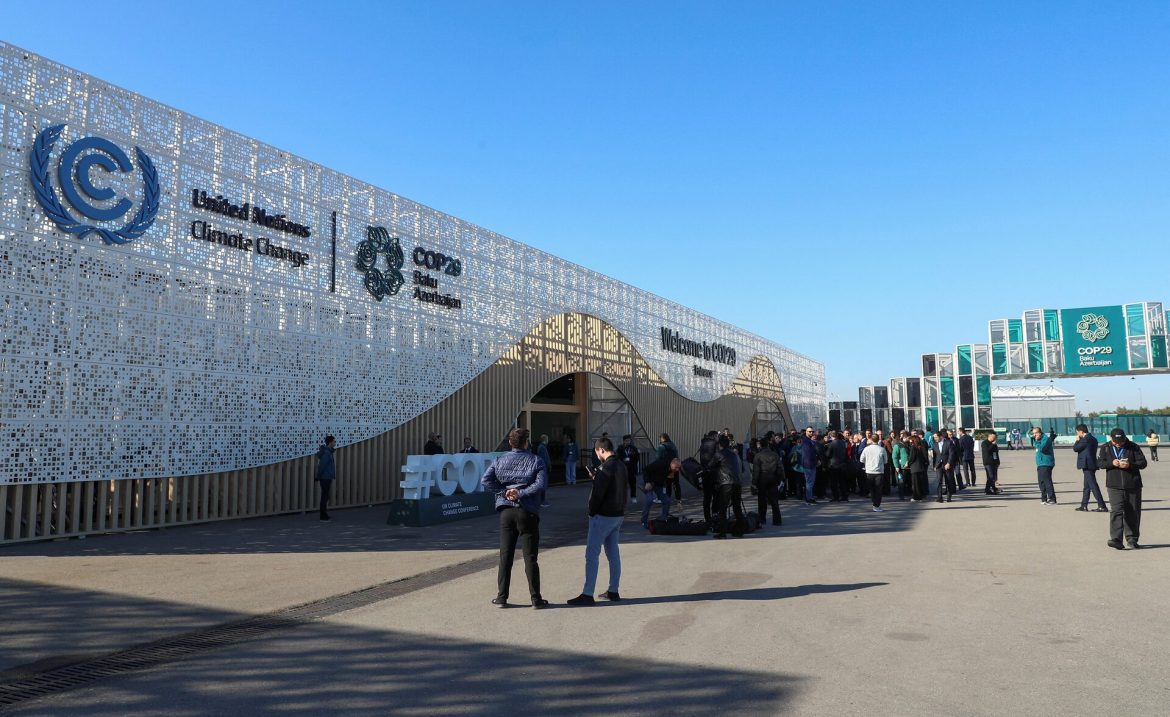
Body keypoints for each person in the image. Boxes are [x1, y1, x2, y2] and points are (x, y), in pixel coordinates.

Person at [480, 428, 550, 608]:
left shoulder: (500, 459)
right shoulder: (536, 460)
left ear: (510, 443)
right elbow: (540, 484)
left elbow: (485, 480)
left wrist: (504, 492)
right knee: (530, 557)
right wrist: (521, 493)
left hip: (506, 511)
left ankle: (502, 597)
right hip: (527, 510)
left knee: (505, 556)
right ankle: (536, 599)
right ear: (526, 442)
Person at [569, 437, 628, 605]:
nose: (597, 456)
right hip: (618, 514)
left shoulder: (604, 468)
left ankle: (588, 594)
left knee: (592, 555)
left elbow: (597, 495)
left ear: (601, 450)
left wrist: (591, 513)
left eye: (597, 453)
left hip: (603, 516)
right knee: (613, 553)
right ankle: (613, 590)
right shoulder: (622, 466)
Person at [1097, 428, 1147, 550]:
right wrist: (1111, 463)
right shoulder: (1105, 447)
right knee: (1116, 511)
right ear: (1111, 438)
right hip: (1114, 486)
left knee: (1133, 512)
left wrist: (1130, 465)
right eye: (1116, 441)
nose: (1118, 443)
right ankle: (1116, 539)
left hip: (1133, 485)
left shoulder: (1133, 447)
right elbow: (1099, 463)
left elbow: (1143, 463)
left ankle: (1132, 539)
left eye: (1121, 441)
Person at [711, 434, 746, 538]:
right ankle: (740, 531)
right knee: (737, 508)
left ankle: (722, 532)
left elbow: (710, 466)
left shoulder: (719, 454)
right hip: (737, 483)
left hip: (726, 483)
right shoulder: (734, 454)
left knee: (723, 508)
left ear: (719, 445)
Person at [1073, 424, 1107, 512]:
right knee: (1087, 486)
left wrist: (1077, 441)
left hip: (1087, 464)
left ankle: (1102, 505)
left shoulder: (1085, 439)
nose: (1077, 434)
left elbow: (1076, 448)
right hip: (1091, 464)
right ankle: (1084, 505)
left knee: (1093, 485)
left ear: (1081, 431)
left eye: (1077, 432)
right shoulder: (1093, 438)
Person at [751, 437, 783, 526]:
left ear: (760, 445)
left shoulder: (758, 455)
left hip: (762, 478)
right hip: (773, 477)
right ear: (768, 444)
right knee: (774, 500)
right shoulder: (775, 454)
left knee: (762, 500)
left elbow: (756, 471)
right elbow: (780, 468)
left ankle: (762, 519)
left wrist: (754, 483)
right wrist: (780, 479)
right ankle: (777, 520)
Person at [641, 457, 679, 528]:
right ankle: (644, 520)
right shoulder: (661, 463)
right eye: (676, 467)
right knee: (649, 500)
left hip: (660, 485)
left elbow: (676, 484)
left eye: (678, 468)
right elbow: (645, 469)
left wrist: (679, 500)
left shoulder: (675, 471)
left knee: (667, 500)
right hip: (650, 482)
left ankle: (664, 519)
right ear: (672, 464)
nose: (677, 469)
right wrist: (647, 482)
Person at [860, 435, 888, 512]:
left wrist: (867, 462)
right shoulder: (882, 449)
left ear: (871, 440)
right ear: (878, 440)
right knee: (878, 489)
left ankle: (874, 503)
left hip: (869, 471)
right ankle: (877, 505)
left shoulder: (866, 449)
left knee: (872, 489)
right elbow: (885, 461)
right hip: (879, 471)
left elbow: (861, 459)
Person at [1031, 426, 1057, 504]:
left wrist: (1037, 441)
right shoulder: (1038, 439)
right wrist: (1036, 440)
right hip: (1040, 463)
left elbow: (1042, 449)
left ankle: (1052, 498)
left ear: (1040, 433)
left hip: (1046, 463)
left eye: (1036, 433)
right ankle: (1044, 498)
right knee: (1041, 482)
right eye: (1033, 433)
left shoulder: (1045, 439)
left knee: (1047, 481)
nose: (1034, 435)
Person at [932, 429, 958, 503]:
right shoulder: (935, 445)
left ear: (940, 436)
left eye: (936, 437)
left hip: (947, 465)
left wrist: (949, 463)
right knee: (939, 481)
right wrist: (934, 465)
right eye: (934, 437)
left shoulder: (949, 443)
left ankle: (949, 497)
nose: (935, 439)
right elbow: (935, 456)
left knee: (948, 481)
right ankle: (939, 497)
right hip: (938, 466)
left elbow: (951, 454)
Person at [315, 435, 336, 521]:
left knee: (325, 496)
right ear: (330, 442)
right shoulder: (327, 453)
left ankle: (324, 514)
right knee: (324, 496)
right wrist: (318, 476)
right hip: (325, 478)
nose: (335, 443)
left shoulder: (328, 452)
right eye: (334, 441)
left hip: (326, 477)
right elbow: (322, 466)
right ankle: (323, 516)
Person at [826, 430, 849, 502]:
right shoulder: (843, 443)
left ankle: (836, 497)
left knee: (834, 482)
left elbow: (828, 455)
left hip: (834, 465)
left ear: (831, 436)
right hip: (842, 465)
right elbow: (846, 454)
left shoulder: (831, 444)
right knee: (842, 482)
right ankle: (844, 496)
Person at [656, 433, 681, 499]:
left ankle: (666, 498)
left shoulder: (662, 446)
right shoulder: (673, 445)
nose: (660, 440)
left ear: (663, 438)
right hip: (675, 466)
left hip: (667, 467)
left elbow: (658, 458)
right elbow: (676, 455)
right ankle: (679, 499)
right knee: (676, 483)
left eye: (660, 438)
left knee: (667, 484)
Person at [906, 434, 930, 502]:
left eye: (911, 440)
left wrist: (908, 463)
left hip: (915, 467)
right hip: (921, 467)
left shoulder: (913, 447)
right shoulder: (920, 447)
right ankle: (921, 496)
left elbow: (912, 458)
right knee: (920, 483)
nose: (910, 441)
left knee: (915, 484)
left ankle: (916, 497)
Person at [799, 427, 819, 504]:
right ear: (806, 432)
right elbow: (808, 454)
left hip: (809, 464)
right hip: (809, 465)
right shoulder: (806, 441)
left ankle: (809, 497)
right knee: (809, 482)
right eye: (809, 431)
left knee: (810, 482)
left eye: (812, 431)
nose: (811, 433)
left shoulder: (808, 441)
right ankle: (809, 498)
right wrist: (815, 461)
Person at [618, 434, 641, 504]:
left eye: (629, 440)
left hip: (632, 468)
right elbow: (617, 458)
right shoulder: (620, 448)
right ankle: (621, 498)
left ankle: (633, 497)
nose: (628, 442)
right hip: (623, 469)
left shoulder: (633, 448)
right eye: (627, 441)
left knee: (633, 484)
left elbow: (637, 458)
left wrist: (631, 459)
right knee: (622, 484)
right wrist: (623, 459)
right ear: (624, 441)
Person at [536, 434, 552, 507]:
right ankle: (542, 501)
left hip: (543, 467)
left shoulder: (541, 447)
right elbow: (544, 458)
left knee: (542, 484)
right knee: (543, 484)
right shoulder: (542, 448)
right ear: (545, 439)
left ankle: (542, 501)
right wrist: (548, 466)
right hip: (544, 468)